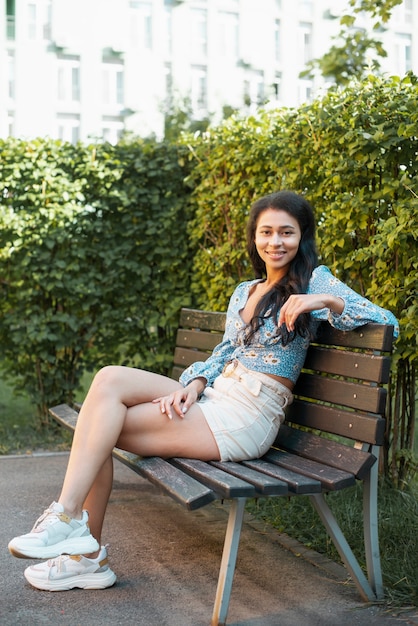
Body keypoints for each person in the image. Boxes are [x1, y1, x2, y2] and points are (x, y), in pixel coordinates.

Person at [8, 190, 398, 591]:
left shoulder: (315, 280)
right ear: (254, 238)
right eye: (266, 232)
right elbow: (224, 352)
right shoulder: (245, 290)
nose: (275, 242)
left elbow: (386, 321)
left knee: (98, 430)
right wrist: (195, 383)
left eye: (287, 232)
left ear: (302, 237)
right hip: (216, 395)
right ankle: (72, 527)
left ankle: (82, 549)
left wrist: (325, 300)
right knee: (108, 379)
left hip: (248, 416)